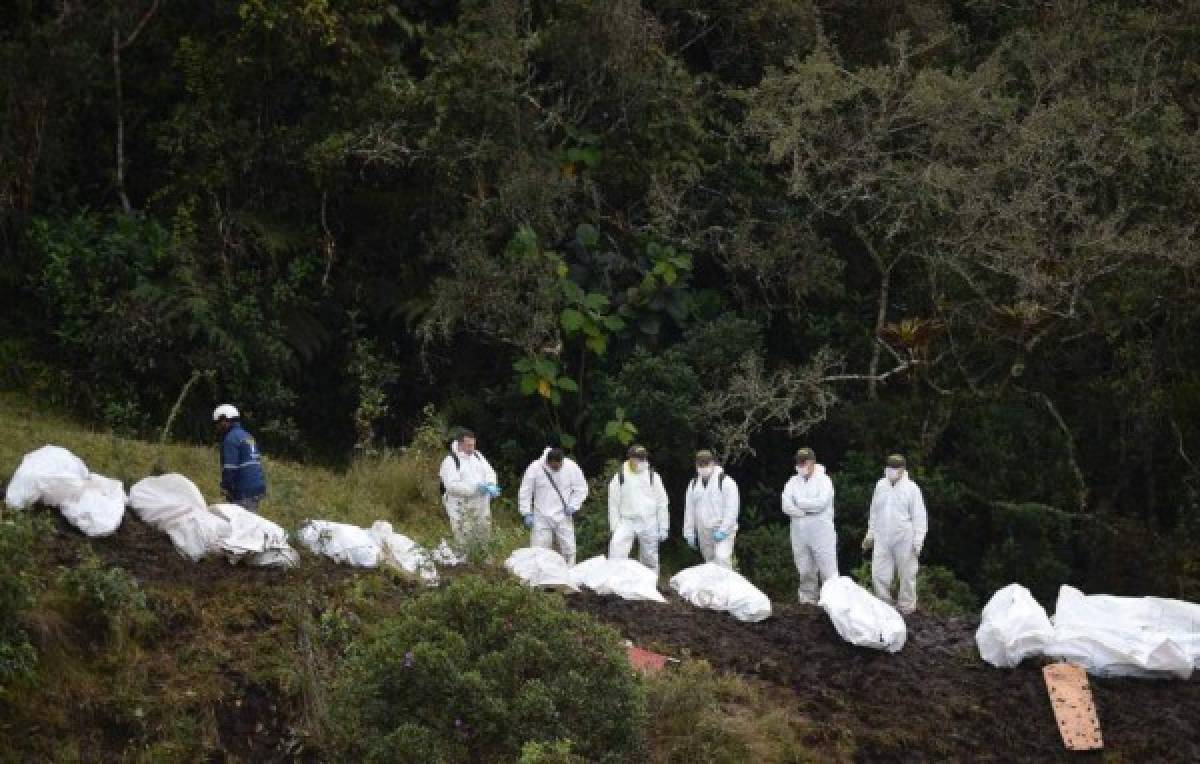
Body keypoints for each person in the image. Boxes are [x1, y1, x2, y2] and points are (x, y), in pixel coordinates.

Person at [862, 454, 927, 615]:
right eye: (890, 467)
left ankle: (907, 608)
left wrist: (918, 541)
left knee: (907, 574)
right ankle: (884, 606)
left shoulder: (912, 488)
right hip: (882, 536)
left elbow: (919, 516)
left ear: (903, 469)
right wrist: (870, 534)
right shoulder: (880, 485)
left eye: (896, 468)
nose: (892, 470)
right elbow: (874, 512)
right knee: (878, 573)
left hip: (904, 537)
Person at [782, 447, 837, 604]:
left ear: (812, 462)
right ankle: (807, 602)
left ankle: (832, 603)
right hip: (799, 529)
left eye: (804, 462)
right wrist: (801, 512)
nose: (801, 465)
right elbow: (785, 504)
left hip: (821, 530)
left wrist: (799, 503)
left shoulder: (824, 480)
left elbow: (820, 504)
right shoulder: (793, 481)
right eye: (799, 462)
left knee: (828, 570)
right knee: (805, 568)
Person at [518, 446, 589, 565]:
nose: (557, 468)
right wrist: (526, 512)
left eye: (559, 466)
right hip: (541, 515)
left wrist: (573, 505)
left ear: (562, 461)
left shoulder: (571, 467)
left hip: (563, 514)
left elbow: (581, 488)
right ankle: (540, 577)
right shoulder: (535, 468)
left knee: (569, 548)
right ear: (547, 462)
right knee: (539, 549)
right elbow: (525, 490)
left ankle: (569, 574)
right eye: (554, 466)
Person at [607, 444, 669, 572]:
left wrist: (663, 527)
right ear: (629, 458)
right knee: (616, 550)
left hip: (649, 521)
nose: (641, 462)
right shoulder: (620, 477)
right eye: (637, 458)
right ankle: (615, 584)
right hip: (626, 521)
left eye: (643, 459)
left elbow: (662, 503)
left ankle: (649, 586)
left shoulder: (653, 477)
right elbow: (613, 504)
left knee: (649, 557)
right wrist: (614, 526)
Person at [439, 429, 500, 545]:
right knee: (465, 539)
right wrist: (476, 488)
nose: (472, 448)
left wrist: (491, 484)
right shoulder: (450, 461)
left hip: (482, 506)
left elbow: (490, 472)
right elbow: (452, 486)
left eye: (473, 445)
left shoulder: (477, 455)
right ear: (460, 444)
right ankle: (466, 562)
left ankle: (483, 561)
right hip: (461, 508)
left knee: (484, 536)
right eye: (469, 445)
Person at [682, 450, 740, 568]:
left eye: (706, 464)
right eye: (700, 465)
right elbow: (689, 510)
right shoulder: (693, 484)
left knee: (722, 559)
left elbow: (732, 509)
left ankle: (725, 586)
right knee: (710, 564)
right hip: (703, 531)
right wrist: (689, 533)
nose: (703, 467)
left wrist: (724, 530)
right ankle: (712, 587)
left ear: (713, 463)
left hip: (723, 530)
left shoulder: (726, 482)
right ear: (696, 465)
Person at [213, 404, 267, 512]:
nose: (217, 427)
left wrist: (225, 487)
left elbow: (230, 468)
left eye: (218, 423)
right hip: (257, 487)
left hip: (244, 491)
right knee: (250, 522)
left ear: (225, 419)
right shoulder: (248, 436)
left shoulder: (230, 439)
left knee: (242, 526)